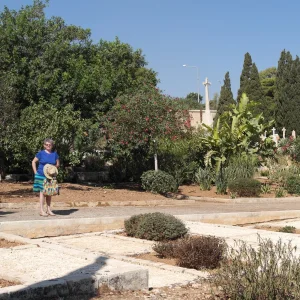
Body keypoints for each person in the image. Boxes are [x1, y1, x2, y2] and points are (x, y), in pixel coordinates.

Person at [32, 138, 60, 216]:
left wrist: (52, 168)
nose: (48, 146)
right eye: (46, 144)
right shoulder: (40, 153)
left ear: (52, 145)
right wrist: (35, 172)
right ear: (44, 145)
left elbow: (58, 164)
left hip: (50, 176)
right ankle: (41, 210)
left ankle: (48, 209)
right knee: (42, 193)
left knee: (49, 193)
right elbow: (33, 162)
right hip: (41, 174)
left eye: (49, 144)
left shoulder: (55, 154)